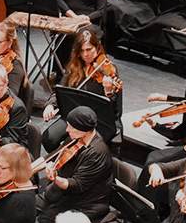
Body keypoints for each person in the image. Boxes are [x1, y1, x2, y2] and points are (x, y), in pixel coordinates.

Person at [38, 25, 123, 154]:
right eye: (82, 51)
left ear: (98, 47)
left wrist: (109, 92)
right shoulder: (74, 66)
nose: (86, 54)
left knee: (78, 149)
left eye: (89, 49)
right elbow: (60, 91)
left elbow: (114, 110)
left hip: (98, 120)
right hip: (74, 116)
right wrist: (50, 105)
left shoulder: (108, 70)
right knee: (49, 138)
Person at [34, 106, 114, 223]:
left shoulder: (97, 153)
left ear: (85, 130)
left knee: (45, 222)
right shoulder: (75, 138)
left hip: (86, 203)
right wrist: (27, 170)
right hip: (63, 193)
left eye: (71, 127)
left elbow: (76, 185)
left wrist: (55, 178)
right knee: (28, 206)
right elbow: (51, 156)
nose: (67, 129)